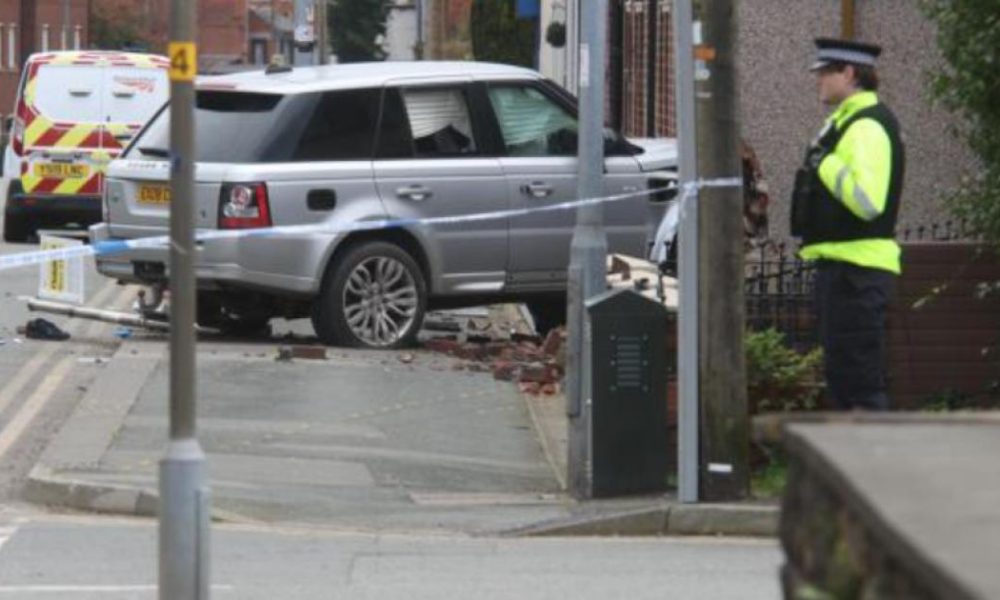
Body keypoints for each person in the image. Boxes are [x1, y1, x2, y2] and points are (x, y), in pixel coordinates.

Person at [790, 38, 906, 411]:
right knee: (844, 380)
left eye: (826, 72)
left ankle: (872, 466)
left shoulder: (867, 126)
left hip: (856, 273)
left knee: (858, 384)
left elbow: (870, 202)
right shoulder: (845, 122)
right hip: (844, 270)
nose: (818, 80)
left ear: (850, 73)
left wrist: (826, 164)